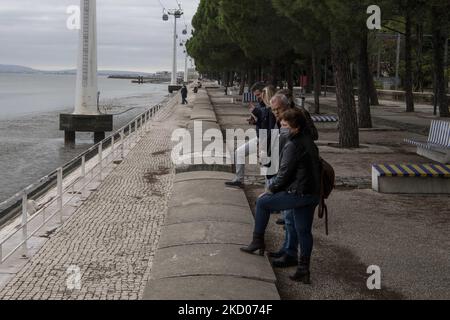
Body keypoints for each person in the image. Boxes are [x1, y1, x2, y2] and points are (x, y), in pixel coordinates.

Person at [240, 108, 321, 284]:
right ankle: (303, 269)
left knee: (262, 203)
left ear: (296, 127)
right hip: (313, 193)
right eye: (281, 124)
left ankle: (257, 241)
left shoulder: (292, 144)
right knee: (304, 231)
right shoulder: (308, 140)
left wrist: (271, 190)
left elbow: (284, 175)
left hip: (300, 193)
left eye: (285, 125)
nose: (282, 128)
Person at [225, 82, 266, 188]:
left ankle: (269, 182)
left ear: (264, 92)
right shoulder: (262, 104)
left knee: (267, 161)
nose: (257, 98)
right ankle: (239, 179)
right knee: (239, 152)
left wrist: (257, 113)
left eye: (258, 95)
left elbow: (270, 123)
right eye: (256, 95)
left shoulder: (270, 105)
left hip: (267, 138)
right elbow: (263, 122)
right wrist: (255, 120)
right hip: (260, 137)